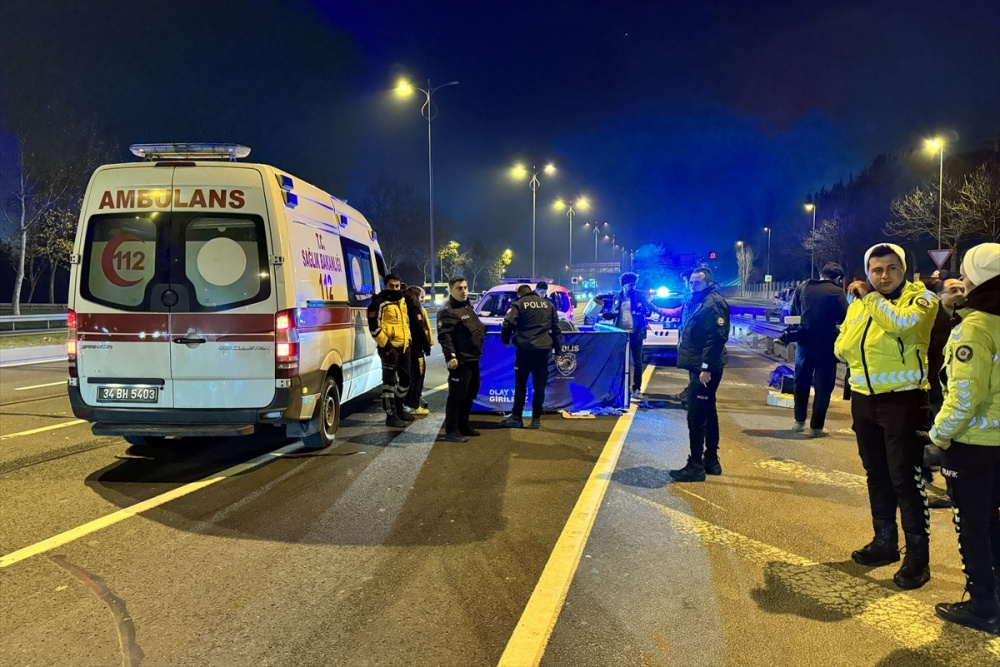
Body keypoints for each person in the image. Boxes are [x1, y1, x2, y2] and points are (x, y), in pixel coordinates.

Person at [834, 243, 938, 590]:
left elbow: (900, 326)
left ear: (904, 269)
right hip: (863, 399)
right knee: (876, 474)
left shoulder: (921, 300)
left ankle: (918, 559)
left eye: (892, 268)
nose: (884, 276)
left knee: (905, 479)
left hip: (903, 401)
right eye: (876, 270)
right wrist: (859, 312)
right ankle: (884, 542)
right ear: (868, 272)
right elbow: (842, 346)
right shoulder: (861, 305)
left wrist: (869, 299)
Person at [929, 242, 1000, 635]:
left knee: (972, 525)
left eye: (966, 274)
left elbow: (964, 398)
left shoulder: (974, 328)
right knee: (993, 522)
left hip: (972, 445)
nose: (961, 280)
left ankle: (983, 605)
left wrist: (938, 437)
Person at [669, 267, 730, 482]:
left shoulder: (713, 303)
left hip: (705, 368)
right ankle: (711, 460)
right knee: (708, 412)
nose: (692, 285)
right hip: (699, 365)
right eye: (691, 282)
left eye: (696, 282)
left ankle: (695, 466)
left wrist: (705, 367)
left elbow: (717, 338)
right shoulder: (699, 301)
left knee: (696, 416)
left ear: (708, 283)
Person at [790, 262, 848, 437]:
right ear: (838, 278)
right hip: (826, 345)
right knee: (823, 387)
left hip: (804, 343)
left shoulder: (802, 287)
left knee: (801, 382)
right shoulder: (837, 292)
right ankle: (816, 427)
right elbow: (844, 317)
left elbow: (793, 312)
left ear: (822, 274)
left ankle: (799, 422)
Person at [500, 284, 562, 429]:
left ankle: (517, 418)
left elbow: (508, 323)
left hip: (524, 350)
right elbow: (556, 329)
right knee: (539, 386)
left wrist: (505, 339)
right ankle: (536, 420)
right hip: (543, 351)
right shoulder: (548, 305)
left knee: (520, 385)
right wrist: (558, 350)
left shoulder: (519, 304)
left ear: (519, 293)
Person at [602, 272, 670, 399]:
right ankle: (622, 387)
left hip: (636, 333)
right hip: (621, 334)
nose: (631, 287)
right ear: (623, 285)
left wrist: (664, 312)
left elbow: (650, 308)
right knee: (621, 362)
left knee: (637, 362)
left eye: (633, 284)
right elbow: (615, 313)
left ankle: (636, 388)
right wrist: (604, 315)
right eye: (629, 285)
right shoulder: (618, 297)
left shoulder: (640, 296)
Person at [437, 276, 486, 443]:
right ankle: (451, 430)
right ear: (451, 290)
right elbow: (445, 337)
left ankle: (464, 425)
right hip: (460, 360)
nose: (463, 291)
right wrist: (450, 356)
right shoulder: (448, 311)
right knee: (457, 396)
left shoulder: (467, 306)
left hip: (473, 358)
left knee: (471, 392)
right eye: (459, 288)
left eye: (465, 287)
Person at [367, 273, 413, 428]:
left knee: (406, 380)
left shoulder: (402, 301)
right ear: (385, 286)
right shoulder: (378, 303)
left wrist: (409, 341)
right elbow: (374, 328)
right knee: (389, 384)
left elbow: (405, 323)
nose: (394, 288)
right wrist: (387, 347)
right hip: (389, 348)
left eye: (397, 286)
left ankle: (399, 407)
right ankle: (391, 414)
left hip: (404, 346)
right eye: (391, 286)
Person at [403, 285, 433, 416]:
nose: (423, 299)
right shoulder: (415, 310)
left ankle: (407, 403)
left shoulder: (405, 308)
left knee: (411, 376)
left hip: (409, 348)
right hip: (416, 349)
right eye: (421, 296)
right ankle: (413, 405)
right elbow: (419, 331)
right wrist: (426, 346)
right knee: (418, 376)